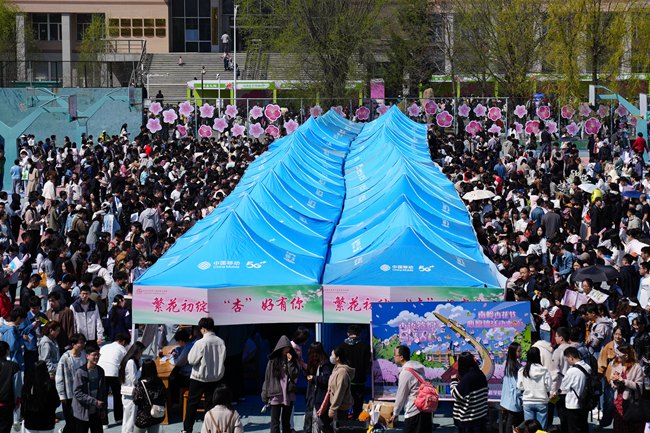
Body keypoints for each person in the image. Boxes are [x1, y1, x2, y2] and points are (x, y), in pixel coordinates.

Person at [183, 317, 226, 433]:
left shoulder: (200, 343)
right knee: (211, 405)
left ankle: (187, 429)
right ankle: (209, 429)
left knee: (192, 404)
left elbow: (191, 360)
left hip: (199, 377)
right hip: (216, 378)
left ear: (202, 329)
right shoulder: (221, 342)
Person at [261, 335, 299, 433]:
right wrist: (265, 394)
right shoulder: (272, 361)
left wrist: (290, 363)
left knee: (286, 421)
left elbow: (295, 375)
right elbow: (267, 378)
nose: (287, 350)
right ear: (280, 348)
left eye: (288, 348)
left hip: (288, 393)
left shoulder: (292, 360)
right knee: (275, 422)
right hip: (275, 393)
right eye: (285, 348)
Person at [390, 345, 432, 433]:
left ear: (401, 357)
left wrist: (395, 413)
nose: (394, 357)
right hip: (425, 409)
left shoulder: (406, 372)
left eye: (395, 355)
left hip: (414, 411)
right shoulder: (417, 368)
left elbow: (401, 395)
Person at [605, 344, 644, 433]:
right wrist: (614, 382)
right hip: (618, 401)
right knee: (619, 425)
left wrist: (624, 381)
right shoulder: (616, 365)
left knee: (630, 425)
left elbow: (639, 386)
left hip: (631, 402)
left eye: (619, 354)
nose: (616, 356)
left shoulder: (636, 367)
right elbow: (612, 383)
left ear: (626, 355)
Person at [72, 342, 107, 433]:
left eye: (98, 355)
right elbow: (77, 393)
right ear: (87, 356)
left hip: (96, 412)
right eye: (94, 355)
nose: (97, 357)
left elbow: (103, 392)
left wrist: (103, 409)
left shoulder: (100, 371)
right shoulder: (81, 372)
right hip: (82, 413)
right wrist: (94, 402)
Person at [450, 352, 488, 433]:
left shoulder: (467, 378)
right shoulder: (480, 374)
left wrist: (453, 381)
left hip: (468, 419)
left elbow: (456, 394)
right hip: (480, 416)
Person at [338, 325, 371, 417]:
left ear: (348, 333)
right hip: (360, 379)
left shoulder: (342, 347)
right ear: (359, 334)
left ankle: (345, 420)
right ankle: (357, 419)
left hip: (345, 379)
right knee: (358, 403)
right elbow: (367, 364)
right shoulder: (365, 347)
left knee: (345, 402)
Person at [57, 333, 87, 433]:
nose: (83, 345)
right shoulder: (65, 357)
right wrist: (62, 395)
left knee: (79, 421)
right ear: (73, 344)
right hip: (69, 394)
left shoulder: (84, 355)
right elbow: (59, 377)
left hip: (81, 393)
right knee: (70, 420)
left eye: (84, 342)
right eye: (80, 343)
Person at [97, 333, 130, 425]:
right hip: (113, 373)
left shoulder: (104, 347)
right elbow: (125, 364)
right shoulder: (123, 349)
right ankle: (118, 418)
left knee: (103, 397)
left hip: (101, 372)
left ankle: (104, 422)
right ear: (123, 342)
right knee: (117, 396)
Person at [21, 360, 59, 433]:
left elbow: (23, 402)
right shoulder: (50, 385)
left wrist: (23, 415)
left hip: (31, 422)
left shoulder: (28, 385)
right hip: (47, 423)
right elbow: (56, 402)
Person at [517, 346, 552, 428]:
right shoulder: (544, 370)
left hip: (527, 401)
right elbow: (548, 387)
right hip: (542, 401)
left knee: (529, 428)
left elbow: (520, 386)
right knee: (541, 428)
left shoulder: (523, 370)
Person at [560, 347, 591, 433]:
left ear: (571, 357)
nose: (567, 361)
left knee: (573, 428)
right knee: (584, 426)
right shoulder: (587, 367)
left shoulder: (571, 371)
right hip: (585, 402)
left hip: (573, 403)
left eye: (567, 359)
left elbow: (564, 386)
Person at [132, 359, 167, 433]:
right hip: (156, 415)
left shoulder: (140, 384)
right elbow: (164, 396)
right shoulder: (159, 382)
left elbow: (136, 400)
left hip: (143, 417)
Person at [304, 342, 332, 433]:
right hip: (313, 395)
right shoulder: (315, 362)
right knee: (313, 420)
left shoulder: (325, 364)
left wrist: (314, 378)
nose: (313, 355)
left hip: (320, 396)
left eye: (314, 352)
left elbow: (326, 379)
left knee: (319, 421)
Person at [120, 342, 146, 433]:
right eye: (141, 352)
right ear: (136, 352)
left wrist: (140, 362)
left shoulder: (129, 360)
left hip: (127, 393)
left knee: (127, 419)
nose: (141, 354)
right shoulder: (131, 362)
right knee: (131, 419)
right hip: (130, 394)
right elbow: (134, 379)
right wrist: (141, 369)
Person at [500, 342, 523, 433]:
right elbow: (515, 384)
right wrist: (520, 395)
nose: (521, 353)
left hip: (511, 399)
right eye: (519, 351)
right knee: (511, 423)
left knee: (512, 422)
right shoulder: (512, 366)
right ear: (513, 352)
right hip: (513, 399)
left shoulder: (512, 364)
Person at [0, 341, 21, 433]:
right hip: (6, 405)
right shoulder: (14, 366)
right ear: (7, 351)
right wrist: (17, 405)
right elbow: (17, 388)